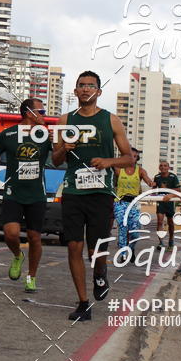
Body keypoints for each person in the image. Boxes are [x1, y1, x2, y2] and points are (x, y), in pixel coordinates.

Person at [53, 71, 134, 321]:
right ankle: (83, 302)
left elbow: (130, 158)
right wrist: (64, 149)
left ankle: (100, 273)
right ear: (75, 91)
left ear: (98, 92)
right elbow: (56, 161)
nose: (86, 89)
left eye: (91, 86)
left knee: (96, 251)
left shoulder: (111, 121)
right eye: (81, 86)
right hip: (74, 191)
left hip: (100, 193)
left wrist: (108, 161)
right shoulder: (65, 120)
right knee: (74, 246)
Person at [0, 97, 51, 294]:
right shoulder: (9, 134)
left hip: (37, 193)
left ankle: (31, 277)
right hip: (13, 191)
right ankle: (17, 255)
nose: (43, 115)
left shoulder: (45, 135)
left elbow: (58, 158)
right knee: (11, 233)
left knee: (34, 237)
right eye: (41, 112)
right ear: (29, 112)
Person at [112, 148, 154, 260]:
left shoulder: (140, 170)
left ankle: (131, 248)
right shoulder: (118, 169)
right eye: (129, 156)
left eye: (134, 156)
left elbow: (148, 180)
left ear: (137, 158)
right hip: (120, 203)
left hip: (134, 204)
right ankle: (123, 255)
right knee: (123, 229)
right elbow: (110, 163)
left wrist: (151, 183)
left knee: (135, 233)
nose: (132, 158)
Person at [153, 159, 181, 249]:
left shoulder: (173, 176)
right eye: (161, 165)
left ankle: (171, 240)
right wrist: (153, 186)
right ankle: (161, 242)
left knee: (170, 222)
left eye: (165, 165)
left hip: (170, 202)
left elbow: (179, 190)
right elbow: (154, 189)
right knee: (159, 221)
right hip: (160, 202)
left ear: (168, 167)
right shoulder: (157, 177)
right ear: (159, 167)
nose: (163, 167)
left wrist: (168, 191)